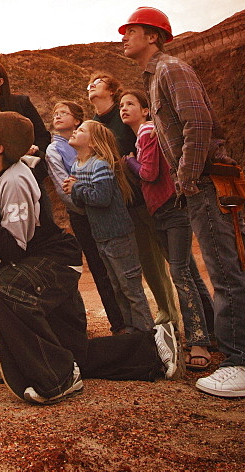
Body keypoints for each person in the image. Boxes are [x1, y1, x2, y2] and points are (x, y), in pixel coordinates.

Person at [0, 112, 178, 405]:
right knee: (74, 353)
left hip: (55, 262)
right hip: (38, 263)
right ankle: (154, 347)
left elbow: (13, 251)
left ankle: (57, 379)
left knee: (3, 287)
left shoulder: (16, 181)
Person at [119, 6, 245, 398]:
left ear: (153, 35)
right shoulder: (155, 78)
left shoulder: (170, 69)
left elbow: (198, 123)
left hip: (205, 182)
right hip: (206, 180)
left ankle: (242, 364)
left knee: (224, 267)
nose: (124, 37)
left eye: (131, 31)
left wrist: (186, 178)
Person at [120, 89, 212, 369]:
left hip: (171, 208)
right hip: (163, 210)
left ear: (146, 110)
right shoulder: (143, 135)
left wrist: (129, 162)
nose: (124, 108)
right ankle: (212, 330)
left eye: (131, 104)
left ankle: (198, 341)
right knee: (189, 271)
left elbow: (149, 173)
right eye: (122, 105)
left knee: (180, 272)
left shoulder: (147, 133)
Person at [87, 73, 179, 327]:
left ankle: (202, 318)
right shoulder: (95, 124)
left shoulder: (124, 114)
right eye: (89, 83)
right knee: (149, 264)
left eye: (99, 81)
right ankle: (167, 312)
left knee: (178, 261)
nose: (92, 85)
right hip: (127, 204)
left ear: (112, 89)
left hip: (151, 196)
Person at [63, 120, 161, 340]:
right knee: (117, 287)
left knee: (130, 288)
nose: (75, 131)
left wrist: (76, 188)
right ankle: (131, 334)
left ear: (93, 142)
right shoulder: (76, 166)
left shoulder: (100, 165)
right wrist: (74, 190)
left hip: (118, 234)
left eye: (81, 130)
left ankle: (148, 335)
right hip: (101, 236)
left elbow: (101, 198)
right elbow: (82, 203)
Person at [45, 101, 125, 334]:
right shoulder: (54, 149)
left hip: (107, 210)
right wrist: (87, 202)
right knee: (100, 268)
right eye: (55, 113)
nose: (58, 116)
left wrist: (88, 191)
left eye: (64, 113)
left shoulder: (89, 139)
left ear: (77, 120)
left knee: (119, 264)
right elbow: (63, 188)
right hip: (82, 214)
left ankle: (134, 319)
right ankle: (118, 323)